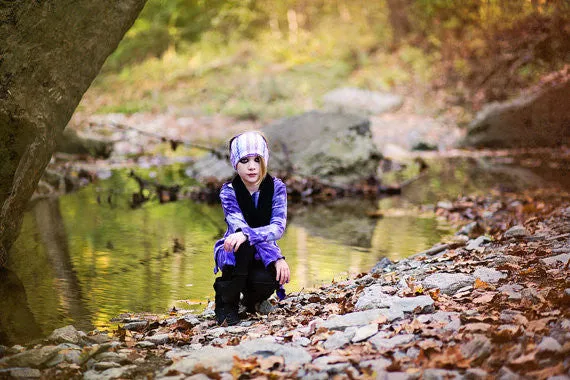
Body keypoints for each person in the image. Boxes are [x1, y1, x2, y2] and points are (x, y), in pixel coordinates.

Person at [213, 131, 290, 326]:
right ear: (235, 164)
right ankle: (225, 303)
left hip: (262, 253)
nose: (252, 166)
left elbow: (277, 228)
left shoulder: (277, 188)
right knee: (241, 244)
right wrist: (247, 236)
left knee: (269, 278)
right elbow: (239, 227)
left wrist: (277, 258)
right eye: (245, 160)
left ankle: (249, 300)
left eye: (257, 159)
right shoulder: (229, 192)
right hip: (235, 254)